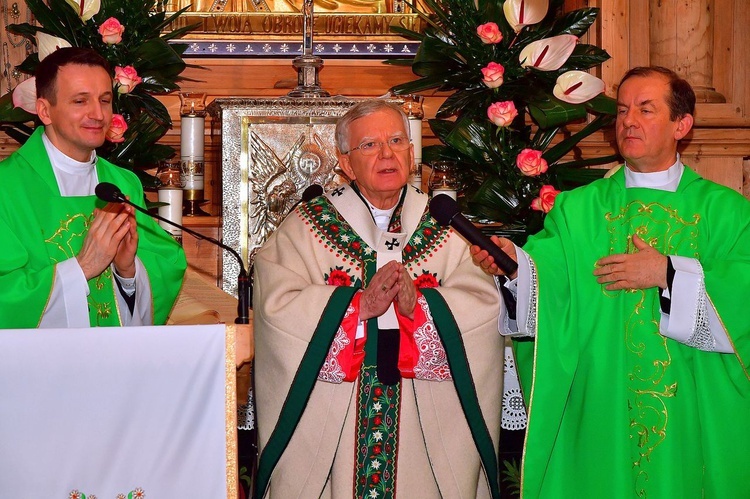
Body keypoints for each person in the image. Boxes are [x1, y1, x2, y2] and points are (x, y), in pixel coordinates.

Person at [472, 66, 750, 498]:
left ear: (682, 125)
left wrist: (667, 273)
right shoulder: (575, 211)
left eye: (645, 109)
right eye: (622, 110)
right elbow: (549, 283)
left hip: (691, 414)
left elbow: (743, 295)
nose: (628, 121)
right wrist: (514, 266)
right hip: (602, 407)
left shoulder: (726, 212)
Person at [253, 100, 503, 498]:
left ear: (411, 152)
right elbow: (275, 307)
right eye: (369, 145)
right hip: (338, 425)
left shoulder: (446, 224)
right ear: (346, 164)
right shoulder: (306, 226)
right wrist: (355, 309)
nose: (387, 154)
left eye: (397, 140)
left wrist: (419, 309)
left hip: (422, 434)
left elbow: (484, 307)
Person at [0, 47, 186, 328]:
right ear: (44, 111)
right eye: (80, 101)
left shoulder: (123, 184)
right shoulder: (7, 187)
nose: (98, 114)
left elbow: (165, 266)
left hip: (115, 364)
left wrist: (127, 270)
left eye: (105, 100)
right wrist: (83, 267)